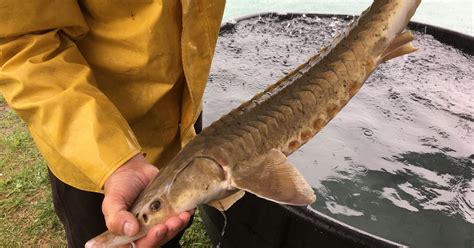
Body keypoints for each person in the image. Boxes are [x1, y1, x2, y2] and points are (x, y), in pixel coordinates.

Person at [0, 1, 226, 247]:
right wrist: (115, 162)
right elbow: (21, 45)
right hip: (90, 153)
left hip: (183, 117)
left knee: (168, 234)